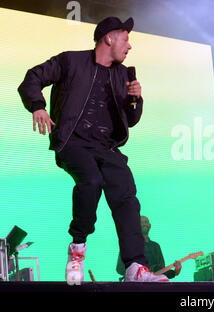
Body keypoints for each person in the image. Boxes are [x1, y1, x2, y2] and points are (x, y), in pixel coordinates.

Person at [18, 16, 168, 283]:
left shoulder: (123, 75)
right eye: (126, 39)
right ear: (109, 38)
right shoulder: (70, 61)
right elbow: (32, 77)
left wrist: (135, 99)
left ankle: (135, 266)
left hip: (107, 147)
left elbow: (131, 120)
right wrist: (38, 106)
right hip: (73, 142)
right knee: (91, 181)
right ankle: (77, 250)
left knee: (126, 197)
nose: (129, 46)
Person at [116, 216, 182, 280]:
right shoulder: (129, 245)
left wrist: (175, 272)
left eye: (146, 222)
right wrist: (138, 272)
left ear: (150, 225)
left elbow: (160, 270)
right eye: (141, 222)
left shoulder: (155, 246)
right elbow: (119, 268)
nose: (144, 224)